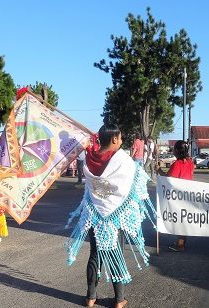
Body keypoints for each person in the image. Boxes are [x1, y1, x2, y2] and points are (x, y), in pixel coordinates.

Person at [65, 124, 155, 308]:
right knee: (116, 254)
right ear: (114, 139)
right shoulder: (122, 160)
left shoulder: (90, 158)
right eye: (120, 138)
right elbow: (134, 180)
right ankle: (119, 300)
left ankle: (90, 297)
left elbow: (91, 188)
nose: (121, 142)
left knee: (94, 254)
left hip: (95, 213)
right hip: (115, 214)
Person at [158, 140, 195, 252]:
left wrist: (159, 170)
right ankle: (182, 242)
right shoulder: (190, 163)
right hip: (188, 194)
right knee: (183, 219)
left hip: (179, 196)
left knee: (180, 220)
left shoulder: (177, 164)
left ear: (178, 151)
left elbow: (169, 180)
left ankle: (180, 244)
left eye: (174, 148)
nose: (173, 150)